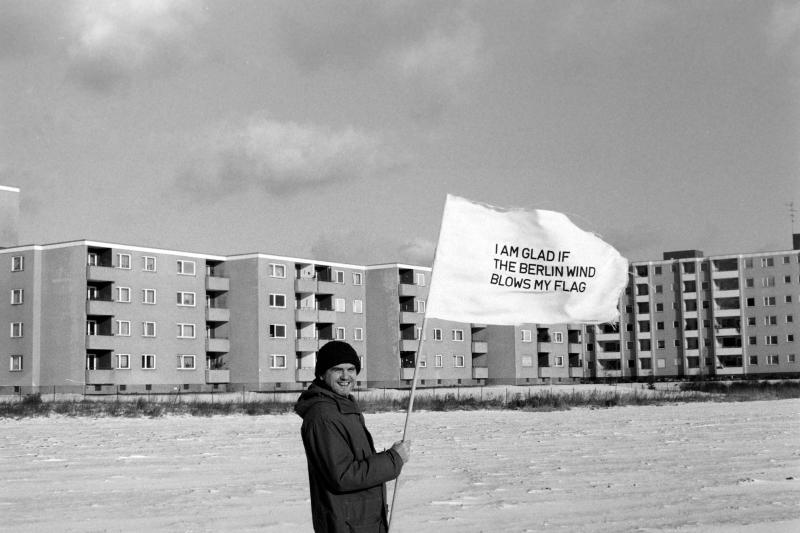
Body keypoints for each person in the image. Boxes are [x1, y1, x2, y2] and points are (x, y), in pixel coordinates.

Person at [295, 340, 411, 532]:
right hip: (347, 525)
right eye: (337, 369)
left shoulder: (343, 408)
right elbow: (343, 476)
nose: (345, 376)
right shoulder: (323, 416)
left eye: (351, 369)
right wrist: (393, 459)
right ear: (322, 374)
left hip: (362, 521)